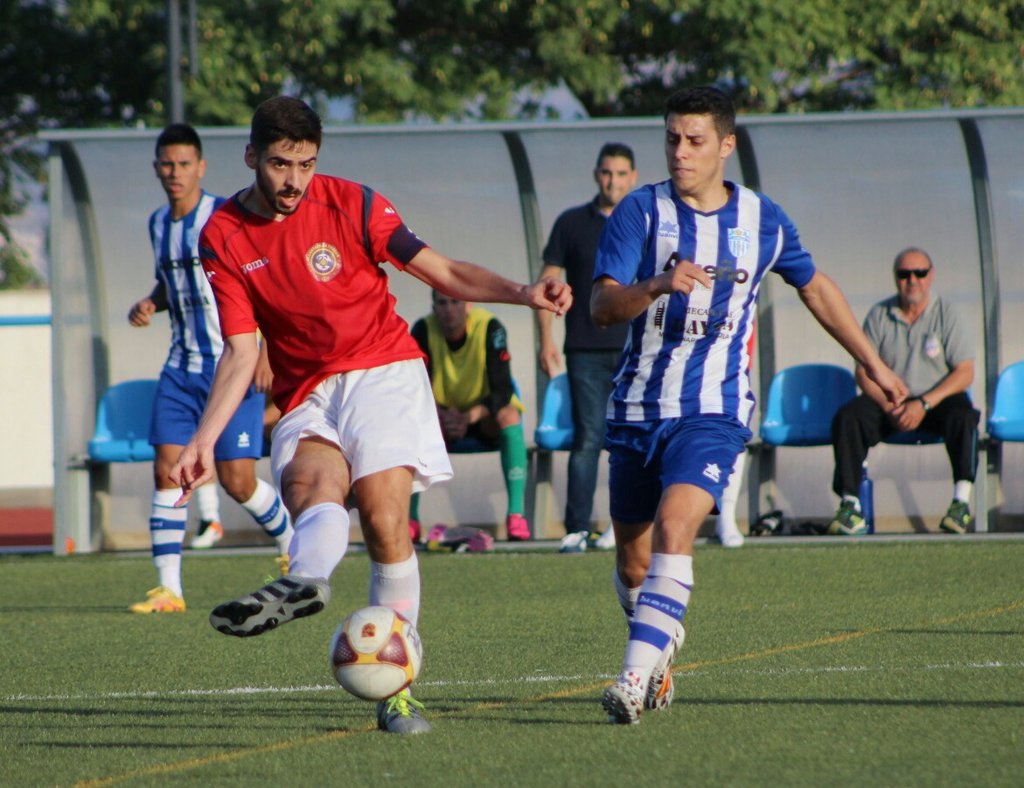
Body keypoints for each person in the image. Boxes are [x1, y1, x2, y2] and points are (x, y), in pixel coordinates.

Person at [168, 97, 571, 734]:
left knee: (385, 520)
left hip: (384, 370)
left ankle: (397, 694)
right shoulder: (221, 234)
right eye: (278, 164)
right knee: (307, 487)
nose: (293, 180)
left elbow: (440, 270)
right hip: (308, 389)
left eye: (305, 164)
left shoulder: (354, 204)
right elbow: (242, 350)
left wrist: (524, 294)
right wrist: (204, 439)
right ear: (251, 158)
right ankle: (302, 584)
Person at [590, 86, 907, 724]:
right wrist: (656, 283)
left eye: (696, 140)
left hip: (715, 409)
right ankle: (659, 649)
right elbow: (601, 308)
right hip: (635, 409)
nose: (681, 152)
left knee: (679, 525)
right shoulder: (639, 213)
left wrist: (873, 363)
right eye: (672, 138)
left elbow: (815, 287)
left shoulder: (763, 220)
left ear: (726, 146)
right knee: (633, 560)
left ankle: (629, 680)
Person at [127, 123, 294, 614]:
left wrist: (265, 350)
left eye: (183, 164)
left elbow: (264, 280)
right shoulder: (158, 223)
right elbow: (168, 283)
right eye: (166, 164)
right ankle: (169, 590)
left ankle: (291, 545)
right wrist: (149, 303)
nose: (174, 173)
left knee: (237, 479)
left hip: (232, 366)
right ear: (156, 167)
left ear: (201, 167)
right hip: (180, 368)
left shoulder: (226, 215)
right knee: (166, 470)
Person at [828, 247, 980, 535]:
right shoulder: (879, 315)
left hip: (934, 401)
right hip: (891, 402)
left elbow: (965, 372)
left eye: (919, 273)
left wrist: (922, 404)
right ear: (895, 278)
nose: (912, 280)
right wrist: (891, 407)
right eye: (904, 274)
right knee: (849, 416)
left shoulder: (947, 314)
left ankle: (961, 502)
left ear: (931, 275)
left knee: (965, 416)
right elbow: (863, 371)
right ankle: (850, 504)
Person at [538, 143, 637, 553]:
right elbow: (547, 282)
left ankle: (627, 524)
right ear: (597, 175)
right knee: (590, 437)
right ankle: (577, 527)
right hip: (584, 350)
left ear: (632, 177)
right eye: (607, 173)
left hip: (635, 348)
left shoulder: (642, 221)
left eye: (621, 174)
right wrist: (546, 339)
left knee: (632, 438)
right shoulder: (571, 223)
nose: (613, 181)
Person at [408, 290, 530, 542]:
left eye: (456, 302)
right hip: (441, 420)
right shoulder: (421, 330)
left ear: (469, 305)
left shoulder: (490, 328)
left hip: (483, 417)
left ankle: (516, 515)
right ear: (433, 307)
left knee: (510, 416)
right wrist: (442, 416)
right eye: (442, 303)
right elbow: (414, 385)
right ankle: (410, 520)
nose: (449, 309)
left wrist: (469, 416)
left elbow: (503, 389)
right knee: (410, 425)